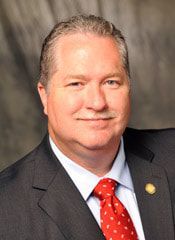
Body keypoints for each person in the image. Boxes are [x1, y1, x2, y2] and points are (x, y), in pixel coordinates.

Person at [0, 14, 174, 240]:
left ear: (128, 87)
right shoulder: (6, 209)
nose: (97, 102)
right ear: (45, 95)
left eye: (111, 82)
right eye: (76, 84)